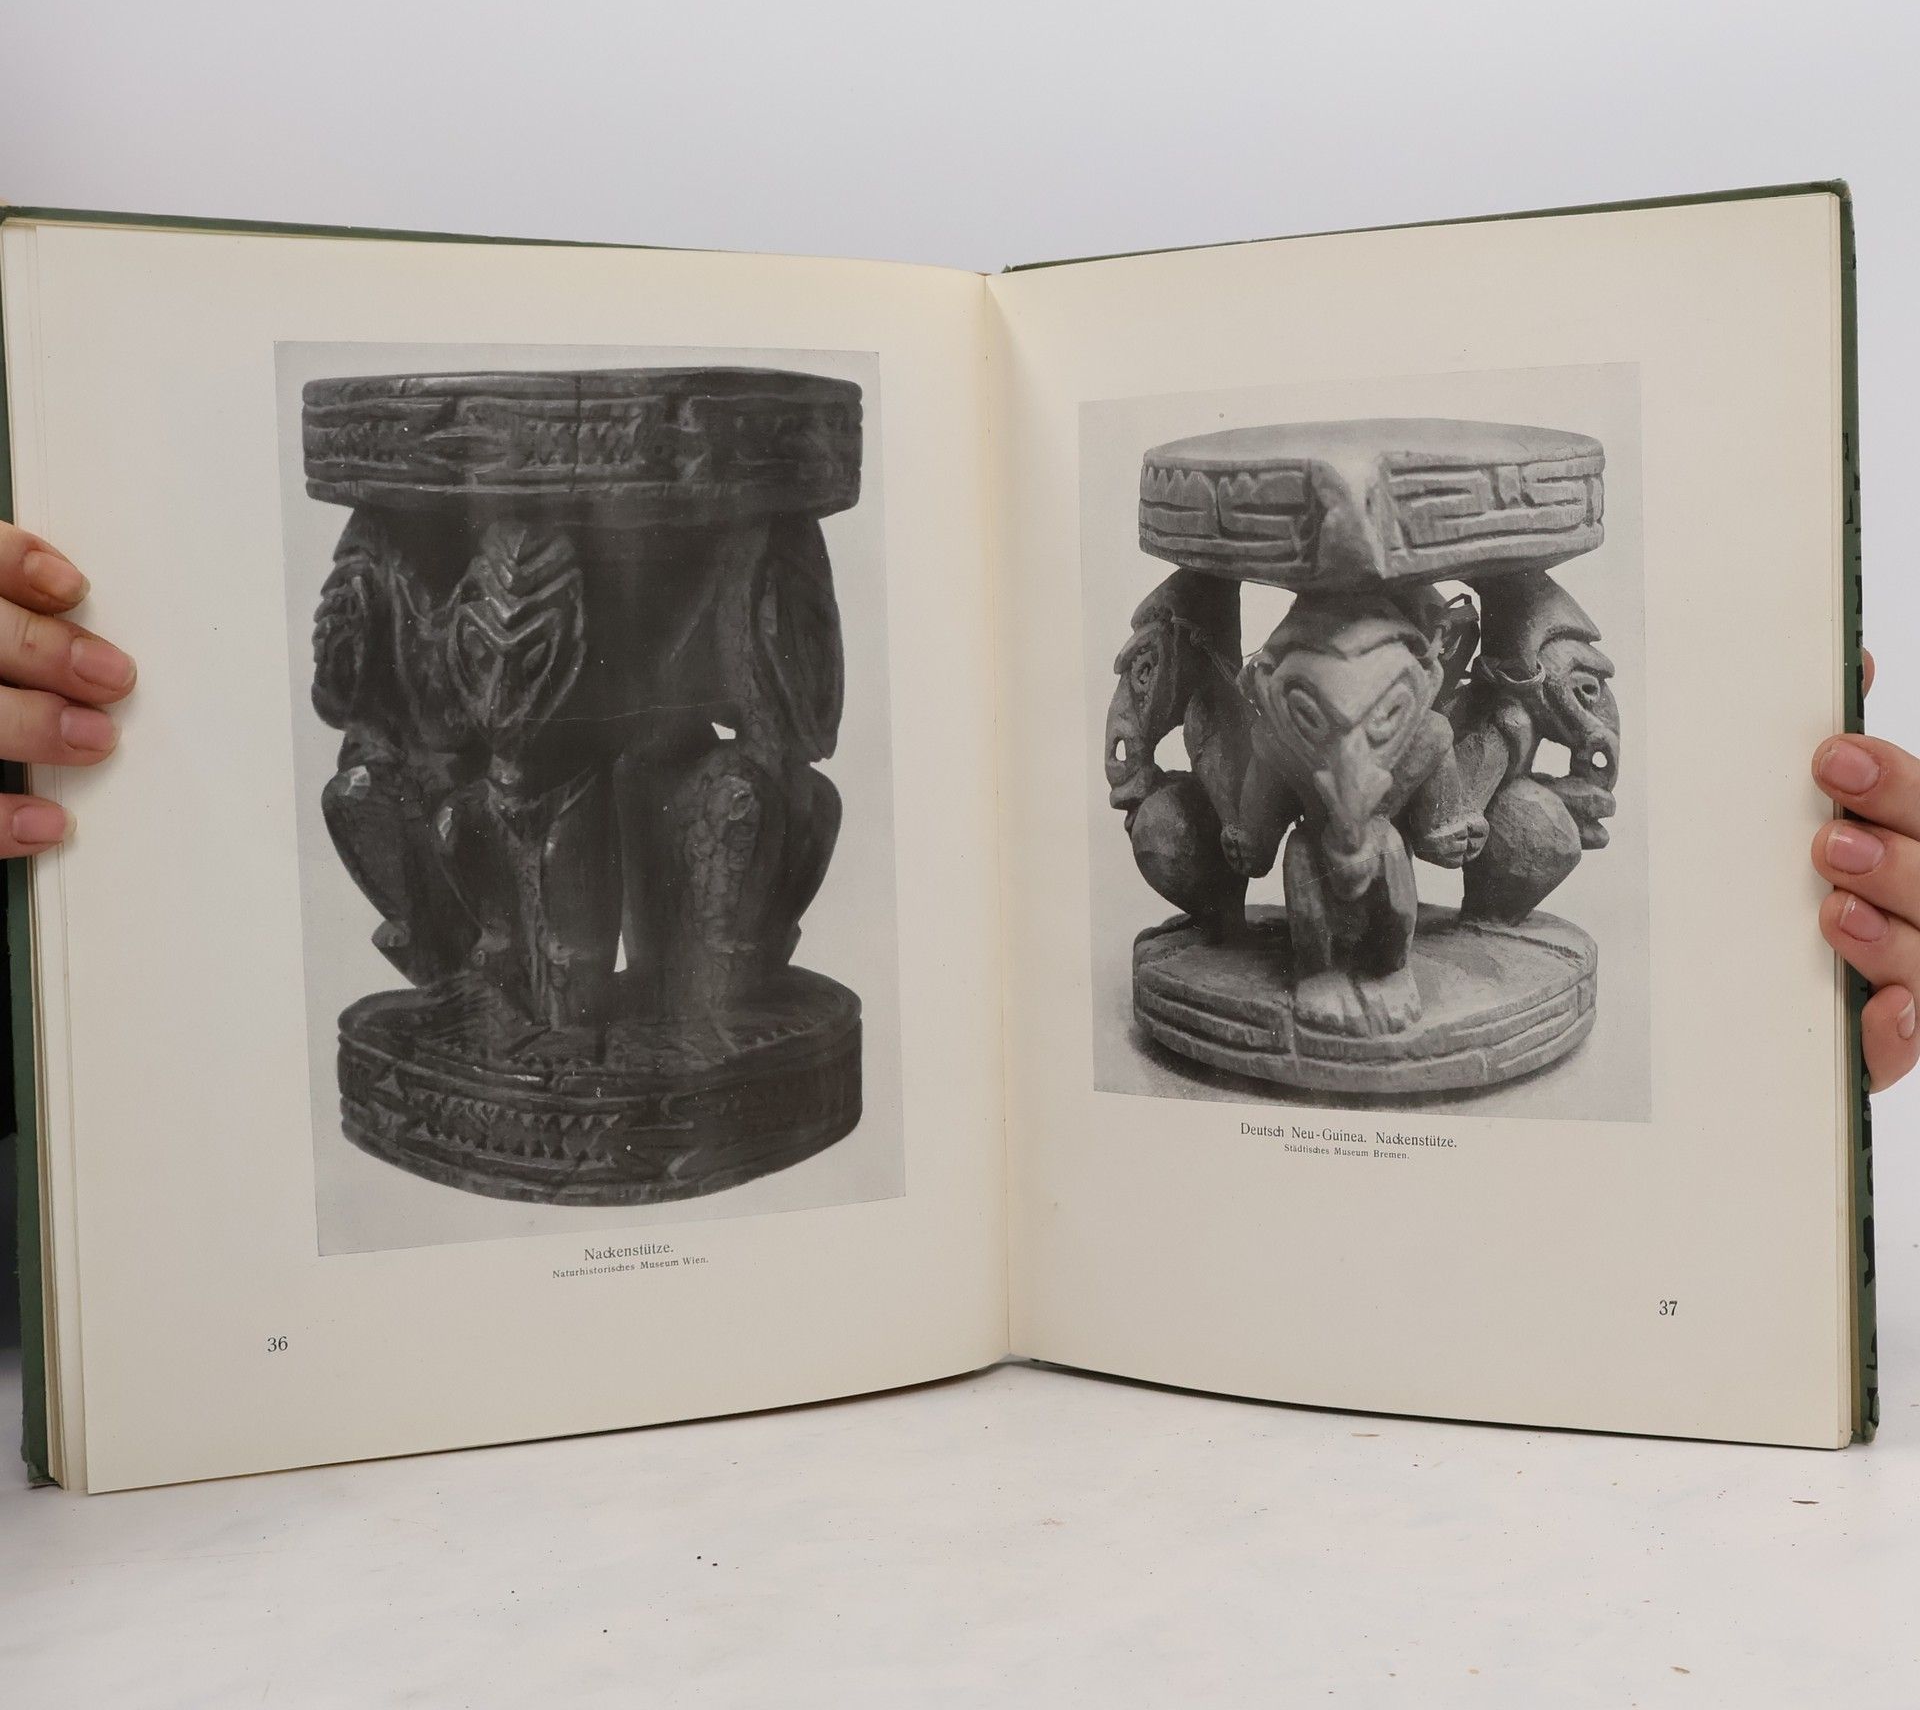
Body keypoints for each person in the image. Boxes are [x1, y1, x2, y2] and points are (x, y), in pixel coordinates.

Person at [0, 519, 1913, 1091]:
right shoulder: (1247, 694)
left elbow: (1472, 771)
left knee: (733, 796)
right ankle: (508, 962)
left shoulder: (1439, 686)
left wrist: (1521, 764)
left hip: (1414, 796)